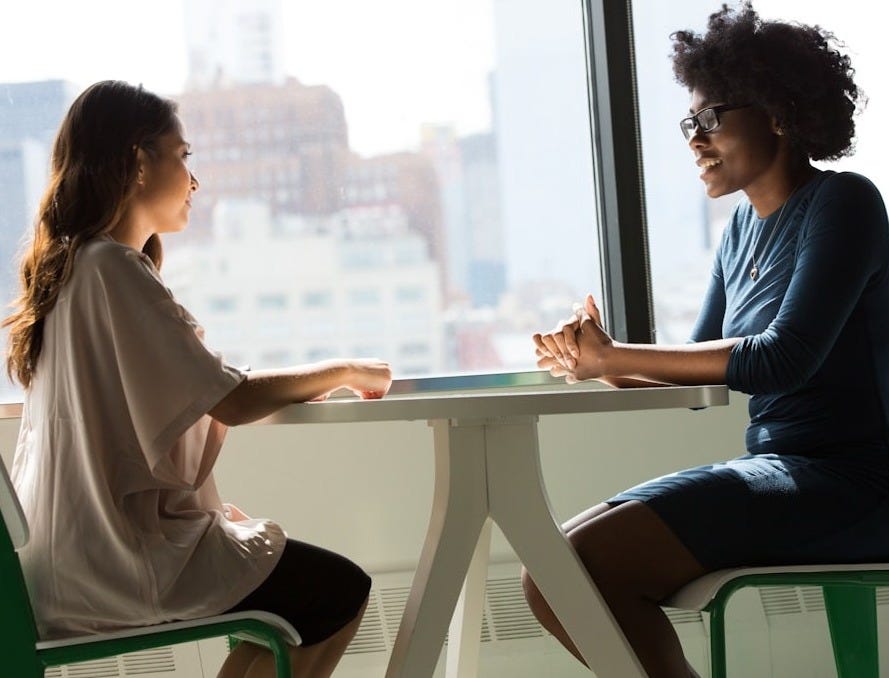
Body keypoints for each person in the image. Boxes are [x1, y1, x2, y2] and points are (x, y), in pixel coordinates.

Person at [525, 3, 889, 677]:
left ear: (776, 112)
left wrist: (615, 354)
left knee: (568, 572)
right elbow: (702, 380)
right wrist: (592, 364)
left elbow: (783, 357)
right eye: (688, 122)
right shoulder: (737, 235)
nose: (693, 139)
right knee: (550, 575)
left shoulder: (844, 203)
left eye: (708, 118)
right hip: (783, 471)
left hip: (856, 483)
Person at [4, 80, 392, 678]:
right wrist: (343, 370)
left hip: (66, 560)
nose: (195, 179)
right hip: (112, 565)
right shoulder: (110, 267)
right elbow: (230, 399)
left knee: (299, 609)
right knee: (336, 593)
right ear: (139, 162)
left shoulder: (74, 270)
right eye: (183, 157)